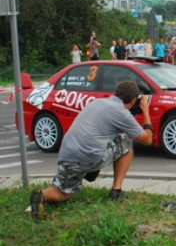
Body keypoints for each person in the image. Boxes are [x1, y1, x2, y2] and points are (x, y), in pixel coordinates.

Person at [29, 81, 153, 221]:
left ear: (117, 93)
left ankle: (42, 195)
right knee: (126, 141)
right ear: (132, 100)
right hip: (90, 157)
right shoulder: (122, 113)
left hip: (67, 155)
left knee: (64, 193)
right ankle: (116, 191)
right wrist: (145, 109)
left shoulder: (97, 102)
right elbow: (147, 139)